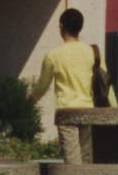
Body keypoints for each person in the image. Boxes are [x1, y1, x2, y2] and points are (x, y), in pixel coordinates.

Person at [28, 9, 110, 161]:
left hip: (67, 111)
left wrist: (30, 99)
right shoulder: (92, 52)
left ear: (61, 26)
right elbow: (106, 83)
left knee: (72, 160)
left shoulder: (53, 55)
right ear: (80, 27)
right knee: (86, 158)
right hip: (88, 110)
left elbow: (42, 86)